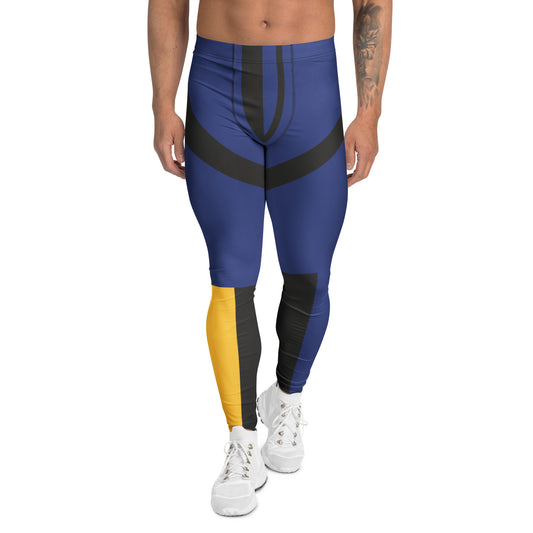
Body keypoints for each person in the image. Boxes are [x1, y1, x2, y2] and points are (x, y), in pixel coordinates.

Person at [148, 0, 392, 516]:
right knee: (230, 277)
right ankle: (241, 441)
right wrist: (162, 104)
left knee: (310, 274)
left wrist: (369, 113)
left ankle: (287, 395)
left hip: (310, 88)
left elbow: (371, 4)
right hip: (218, 88)